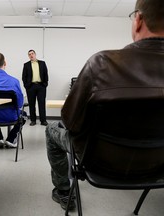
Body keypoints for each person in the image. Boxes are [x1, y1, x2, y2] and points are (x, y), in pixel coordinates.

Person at [45, 0, 164, 211]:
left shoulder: (102, 63)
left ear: (138, 20)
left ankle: (63, 191)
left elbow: (70, 122)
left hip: (99, 162)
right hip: (158, 166)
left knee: (51, 130)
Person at [22, 49, 49, 126]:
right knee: (31, 104)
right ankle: (33, 120)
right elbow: (24, 77)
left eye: (32, 53)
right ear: (28, 56)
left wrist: (45, 84)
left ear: (35, 54)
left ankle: (43, 120)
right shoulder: (26, 65)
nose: (31, 55)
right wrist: (26, 86)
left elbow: (46, 74)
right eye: (29, 54)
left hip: (41, 86)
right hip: (31, 87)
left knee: (41, 103)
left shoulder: (42, 63)